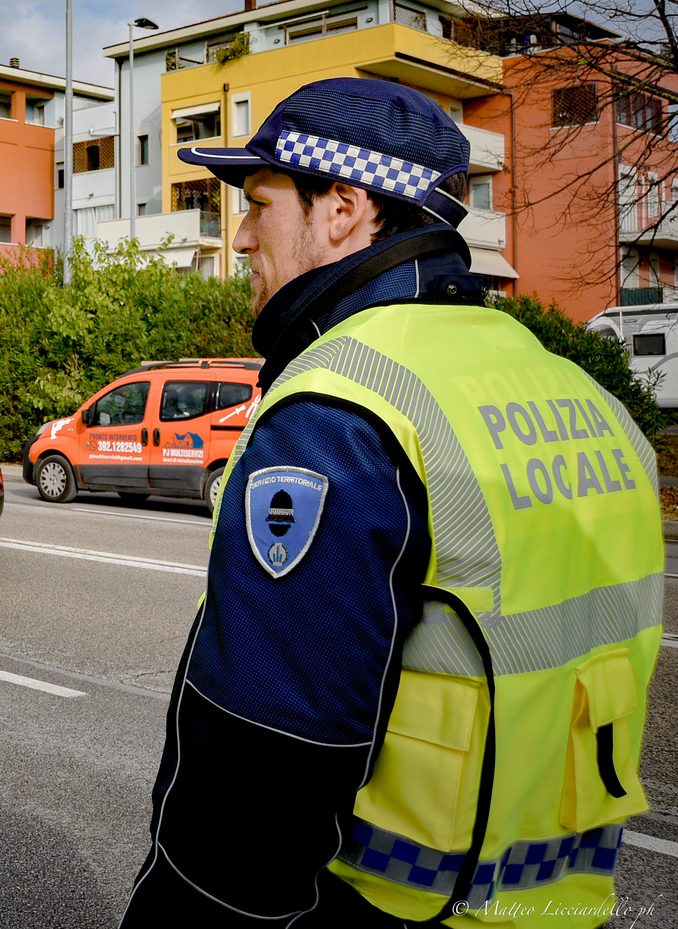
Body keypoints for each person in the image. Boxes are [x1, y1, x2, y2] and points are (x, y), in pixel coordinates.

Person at [119, 78, 663, 926]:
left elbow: (263, 775)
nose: (240, 235)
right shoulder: (584, 399)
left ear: (342, 209)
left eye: (260, 204)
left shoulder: (340, 411)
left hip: (382, 908)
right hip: (555, 909)